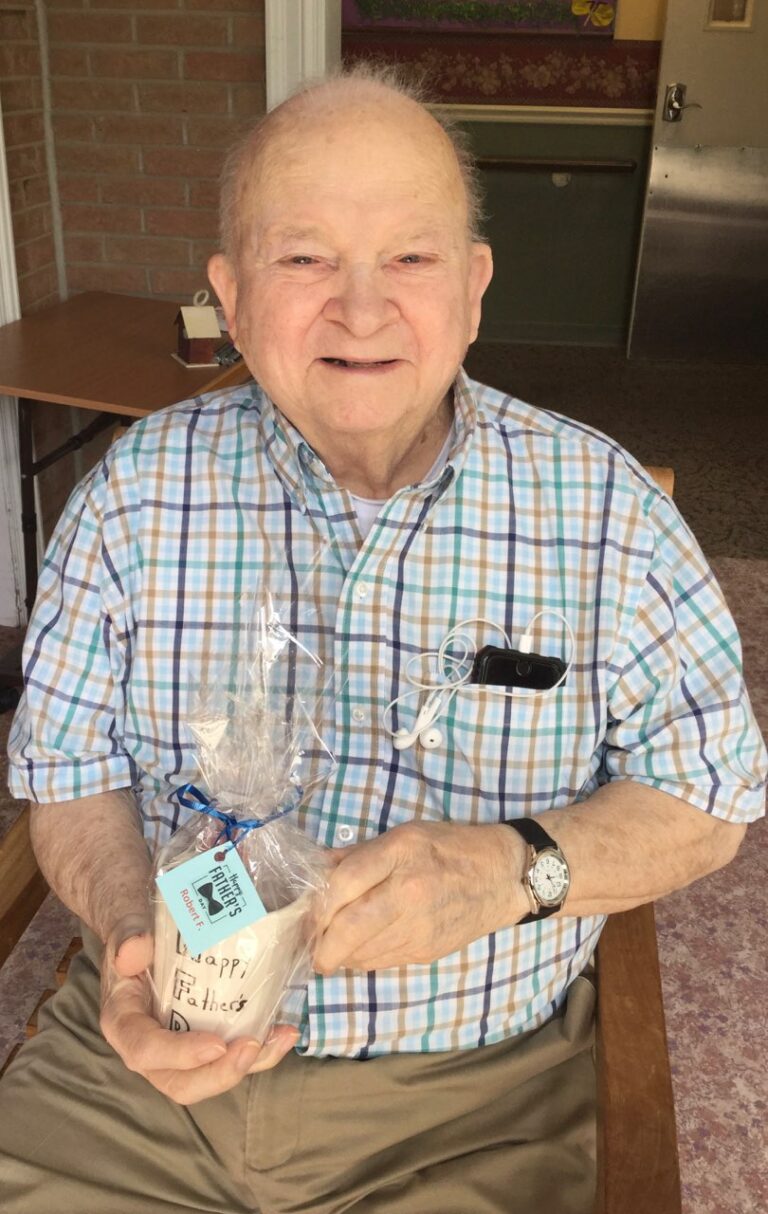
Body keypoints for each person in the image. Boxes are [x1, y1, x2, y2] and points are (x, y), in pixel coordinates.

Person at [2, 66, 766, 1214]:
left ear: (474, 287)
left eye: (409, 257)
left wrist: (511, 869)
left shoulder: (606, 512)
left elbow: (710, 796)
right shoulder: (132, 495)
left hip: (476, 1101)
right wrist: (127, 942)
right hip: (140, 1076)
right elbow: (69, 776)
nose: (361, 311)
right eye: (305, 258)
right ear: (230, 295)